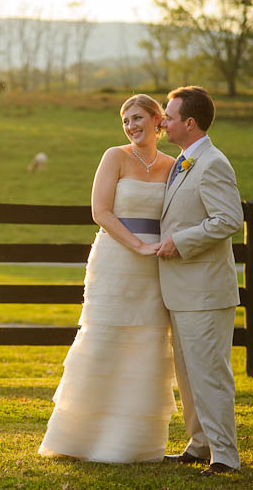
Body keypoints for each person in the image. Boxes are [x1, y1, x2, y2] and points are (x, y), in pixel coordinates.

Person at [38, 94, 178, 463]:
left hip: (155, 265)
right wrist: (137, 245)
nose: (131, 126)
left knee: (146, 344)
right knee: (103, 340)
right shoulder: (114, 157)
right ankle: (78, 440)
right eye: (125, 121)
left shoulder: (174, 165)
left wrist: (160, 247)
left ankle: (133, 444)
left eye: (137, 118)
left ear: (157, 119)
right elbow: (100, 211)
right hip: (116, 257)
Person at [157, 86, 244, 476]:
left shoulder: (212, 163)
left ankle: (225, 456)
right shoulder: (183, 161)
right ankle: (199, 443)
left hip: (206, 291)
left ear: (189, 123)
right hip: (182, 290)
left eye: (169, 117)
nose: (163, 122)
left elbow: (229, 220)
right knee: (189, 374)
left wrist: (180, 241)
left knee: (209, 372)